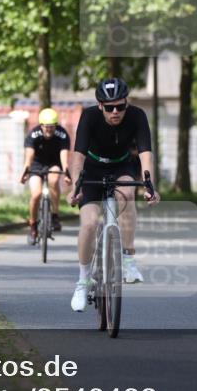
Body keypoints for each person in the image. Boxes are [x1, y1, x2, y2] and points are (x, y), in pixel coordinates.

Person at [67, 77, 160, 312]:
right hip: (92, 167)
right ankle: (83, 280)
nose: (115, 112)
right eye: (109, 108)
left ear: (127, 103)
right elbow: (77, 156)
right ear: (100, 106)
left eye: (120, 106)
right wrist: (75, 187)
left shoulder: (137, 116)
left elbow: (145, 153)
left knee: (127, 194)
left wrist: (151, 186)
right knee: (88, 223)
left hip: (122, 166)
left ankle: (128, 258)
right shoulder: (89, 117)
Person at [20, 107, 71, 245]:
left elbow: (64, 156)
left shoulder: (62, 134)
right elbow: (29, 156)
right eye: (46, 127)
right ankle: (33, 226)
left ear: (56, 125)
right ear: (41, 125)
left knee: (54, 180)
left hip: (53, 163)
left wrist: (67, 172)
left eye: (52, 127)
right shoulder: (33, 134)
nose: (49, 130)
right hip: (36, 165)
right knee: (36, 194)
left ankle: (55, 215)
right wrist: (26, 172)